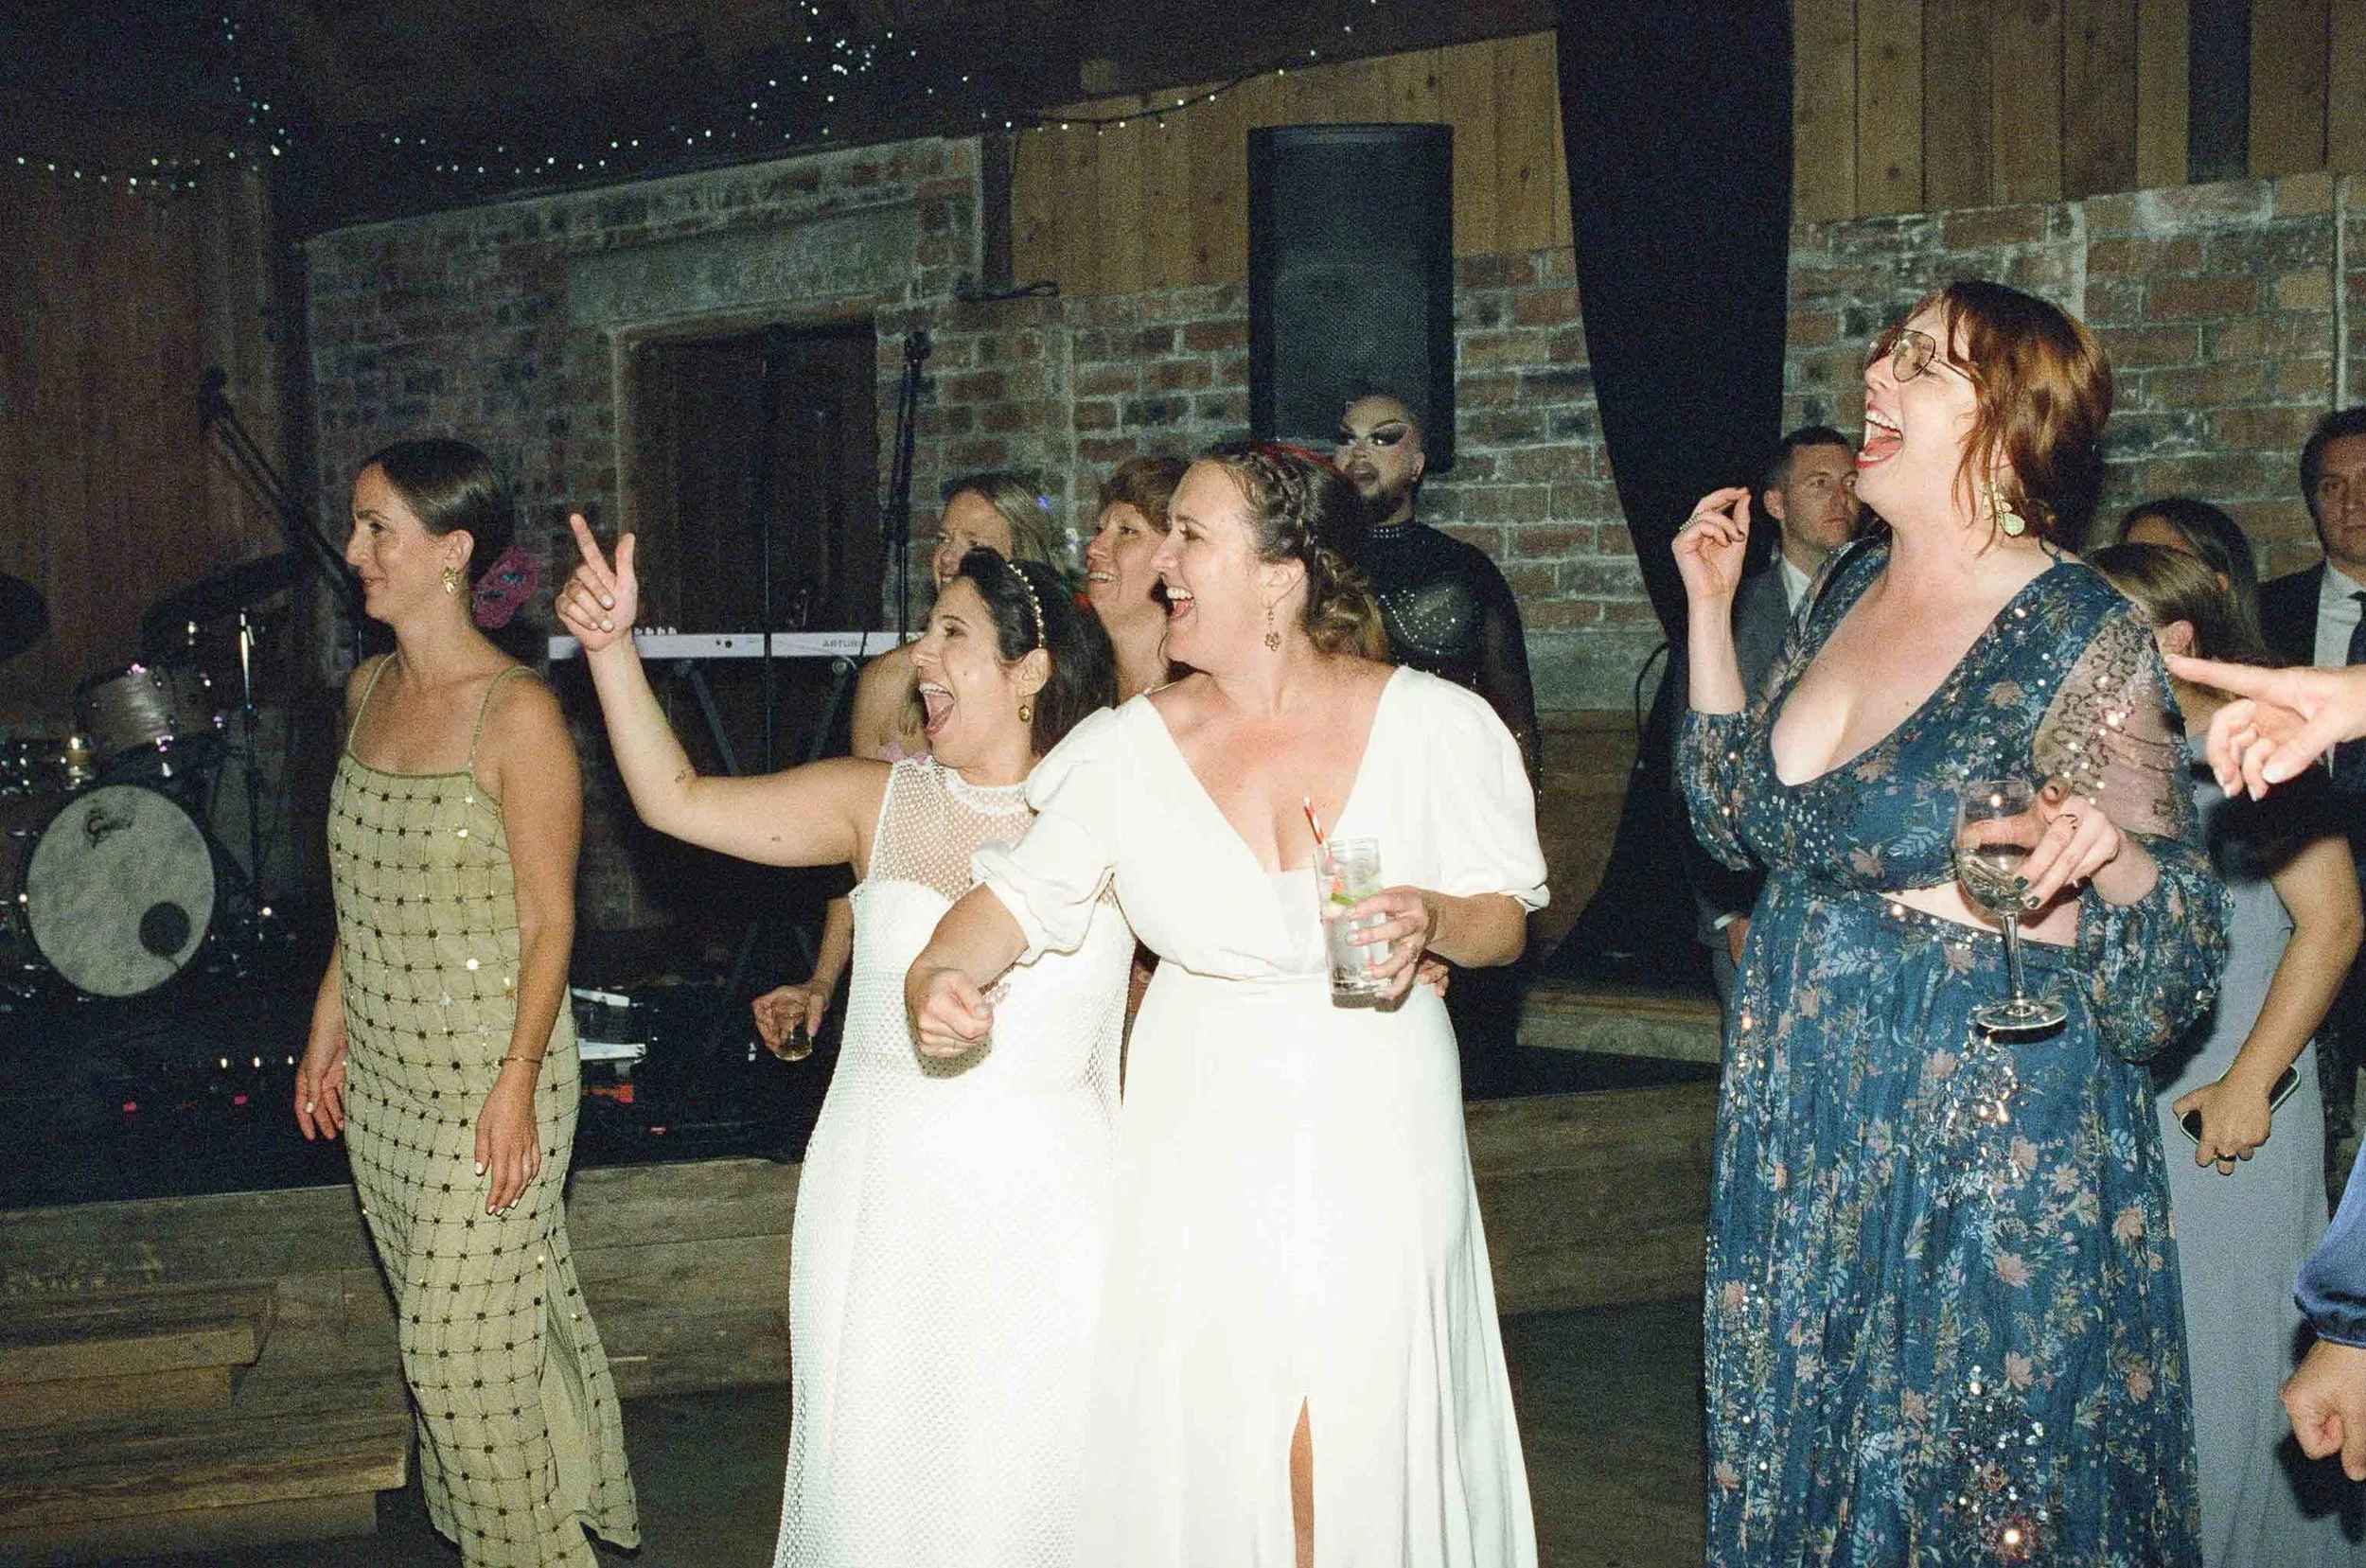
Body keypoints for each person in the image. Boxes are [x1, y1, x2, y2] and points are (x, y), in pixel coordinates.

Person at [907, 443, 1545, 1568]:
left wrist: (1430, 918)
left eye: (1192, 539)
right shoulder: (1123, 751)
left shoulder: (1434, 725)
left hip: (1376, 1100)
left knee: (1354, 1416)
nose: (1164, 570)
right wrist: (936, 977)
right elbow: (1003, 906)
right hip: (1203, 1114)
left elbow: (1502, 918)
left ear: (1281, 574)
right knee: (1228, 1419)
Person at [1676, 280, 2228, 1565]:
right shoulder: (1849, 586)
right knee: (1808, 1452)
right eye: (1886, 348)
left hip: (1982, 1125)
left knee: (1980, 1492)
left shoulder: (2078, 633)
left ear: (2009, 423)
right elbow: (1731, 822)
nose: (1876, 374)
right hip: (1809, 1111)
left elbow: (2183, 943)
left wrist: (2114, 867)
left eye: (1918, 361)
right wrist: (1710, 610)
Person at [556, 520, 1129, 1568]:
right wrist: (609, 650)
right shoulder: (883, 802)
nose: (921, 657)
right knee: (885, 1500)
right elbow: (675, 800)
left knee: (1036, 1499)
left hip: (1056, 1220)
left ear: (1030, 669)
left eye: (952, 634)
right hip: (886, 1206)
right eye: (925, 632)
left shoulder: (1114, 815)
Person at [294, 439, 639, 1567]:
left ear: (450, 552)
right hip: (390, 1089)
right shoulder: (367, 691)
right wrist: (326, 1021)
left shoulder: (519, 715)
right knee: (483, 1365)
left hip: (496, 1080)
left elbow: (550, 921)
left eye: (375, 528)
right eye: (354, 525)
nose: (353, 552)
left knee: (451, 1358)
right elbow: (364, 889)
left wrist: (515, 1081)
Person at [2093, 542, 2364, 1564]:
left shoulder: (2257, 758)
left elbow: (2332, 922)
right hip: (2133, 1109)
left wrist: (2250, 1082)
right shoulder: (2119, 766)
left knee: (2231, 1368)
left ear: (2175, 640)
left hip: (2238, 1109)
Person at [752, 472, 1064, 1055]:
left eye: (972, 543)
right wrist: (823, 978)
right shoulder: (890, 682)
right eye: (942, 539)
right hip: (902, 961)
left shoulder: (1051, 682)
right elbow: (862, 855)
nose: (948, 557)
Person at [1680, 425, 1861, 1003]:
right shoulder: (1727, 611)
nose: (1841, 498)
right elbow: (1695, 774)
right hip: (1759, 906)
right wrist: (1728, 911)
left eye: (1851, 482)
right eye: (1820, 482)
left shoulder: (1886, 606)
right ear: (1776, 504)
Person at [1333, 392, 1540, 780]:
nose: (1359, 452)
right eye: (1347, 438)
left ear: (1416, 465)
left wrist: (1519, 824)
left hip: (1444, 794)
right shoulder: (1307, 566)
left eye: (1383, 438)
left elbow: (1517, 721)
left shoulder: (1465, 568)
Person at [2262, 408, 2366, 1175]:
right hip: (2297, 925)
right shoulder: (2267, 615)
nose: (2352, 503)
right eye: (2333, 487)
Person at [1083, 454, 1189, 701]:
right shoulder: (1074, 692)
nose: (1094, 547)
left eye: (1127, 531)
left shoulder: (1201, 702)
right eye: (1099, 531)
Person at [2111, 495, 2266, 646]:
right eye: (2128, 561)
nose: (2133, 574)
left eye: (2161, 562)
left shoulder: (2246, 670)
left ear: (2215, 586)